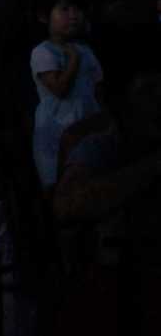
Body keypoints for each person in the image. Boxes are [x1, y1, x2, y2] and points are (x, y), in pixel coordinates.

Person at [50, 62, 161, 333]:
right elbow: (67, 203)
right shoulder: (100, 146)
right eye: (149, 91)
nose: (158, 101)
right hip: (118, 284)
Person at [32, 0, 104, 190]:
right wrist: (73, 60)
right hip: (58, 130)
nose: (73, 15)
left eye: (77, 9)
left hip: (88, 125)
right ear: (44, 16)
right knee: (64, 183)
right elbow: (59, 89)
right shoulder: (42, 52)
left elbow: (98, 89)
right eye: (64, 9)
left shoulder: (86, 50)